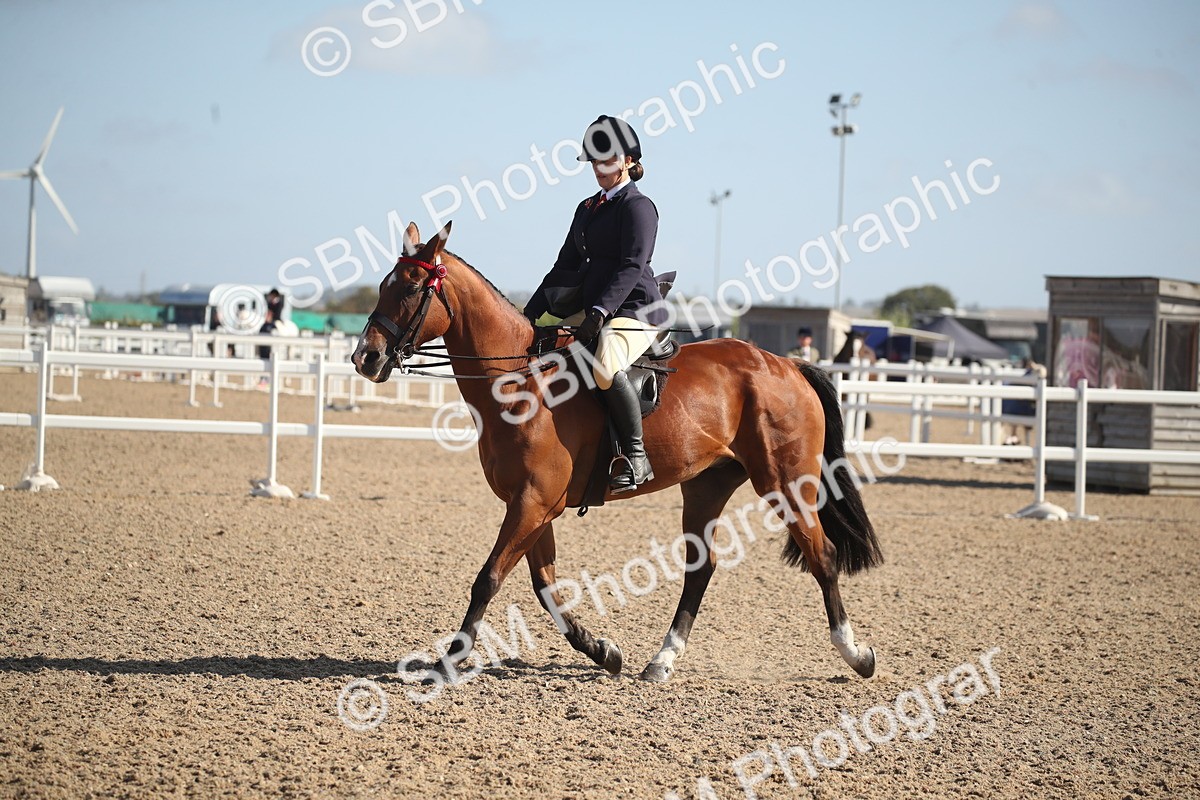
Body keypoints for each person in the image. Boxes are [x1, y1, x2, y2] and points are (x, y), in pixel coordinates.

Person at [523, 114, 666, 492]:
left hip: (636, 309)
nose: (600, 169)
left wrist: (601, 312)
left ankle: (636, 457)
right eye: (595, 162)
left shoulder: (638, 208)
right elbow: (564, 264)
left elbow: (633, 265)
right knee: (538, 346)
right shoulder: (587, 208)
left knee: (604, 365)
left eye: (608, 161)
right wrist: (530, 312)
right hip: (594, 307)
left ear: (630, 161)